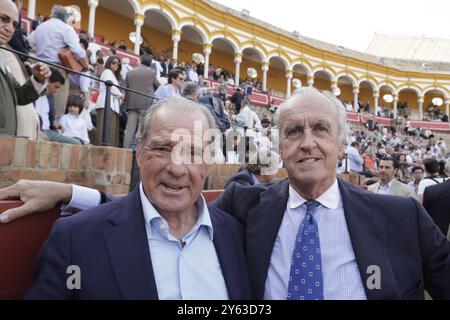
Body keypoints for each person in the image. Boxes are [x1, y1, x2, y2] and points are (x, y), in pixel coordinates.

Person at [2, 88, 450, 300]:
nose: (308, 142)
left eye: (321, 130)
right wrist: (71, 193)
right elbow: (158, 205)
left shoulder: (401, 218)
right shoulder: (250, 209)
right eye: (293, 131)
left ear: (343, 141)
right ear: (279, 144)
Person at [25, 97, 251, 299]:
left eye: (192, 152)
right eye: (162, 148)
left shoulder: (236, 235)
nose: (177, 168)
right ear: (140, 152)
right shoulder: (75, 239)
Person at [0, 0, 51, 136]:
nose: (9, 28)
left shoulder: (2, 58)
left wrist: (37, 79)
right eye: (4, 19)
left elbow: (19, 95)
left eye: (14, 24)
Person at [33, 5, 87, 118]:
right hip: (57, 68)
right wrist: (86, 64)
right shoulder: (66, 28)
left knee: (37, 99)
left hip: (38, 65)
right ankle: (55, 125)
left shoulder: (41, 26)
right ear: (65, 17)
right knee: (58, 104)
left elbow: (30, 42)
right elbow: (77, 51)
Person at [34, 69, 82, 145]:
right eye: (55, 87)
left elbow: (47, 117)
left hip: (48, 131)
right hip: (36, 130)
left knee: (76, 143)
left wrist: (53, 123)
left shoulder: (49, 98)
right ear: (47, 81)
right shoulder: (33, 93)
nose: (56, 91)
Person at [122, 55, 160, 149]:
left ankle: (125, 150)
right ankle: (138, 152)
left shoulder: (130, 73)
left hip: (131, 104)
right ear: (150, 63)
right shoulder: (151, 72)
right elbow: (158, 86)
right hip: (145, 104)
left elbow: (125, 88)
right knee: (141, 130)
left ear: (141, 61)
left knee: (129, 130)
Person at [95, 56, 123, 147]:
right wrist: (121, 95)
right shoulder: (107, 71)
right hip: (105, 104)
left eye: (118, 64)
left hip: (112, 106)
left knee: (110, 132)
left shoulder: (113, 75)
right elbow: (110, 86)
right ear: (109, 63)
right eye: (113, 63)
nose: (116, 65)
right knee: (104, 131)